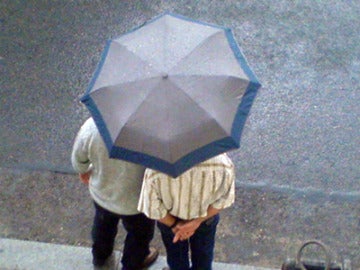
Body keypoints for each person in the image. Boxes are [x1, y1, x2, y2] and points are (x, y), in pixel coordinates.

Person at [71, 117, 159, 270]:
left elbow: (78, 159)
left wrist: (83, 170)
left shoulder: (93, 126)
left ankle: (100, 258)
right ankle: (132, 264)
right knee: (139, 236)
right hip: (138, 202)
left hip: (103, 195)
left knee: (103, 227)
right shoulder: (155, 134)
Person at [138, 153, 235, 270]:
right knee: (203, 255)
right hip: (205, 220)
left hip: (171, 222)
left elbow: (152, 208)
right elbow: (225, 200)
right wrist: (196, 222)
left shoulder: (156, 167)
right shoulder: (223, 164)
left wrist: (175, 225)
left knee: (176, 257)